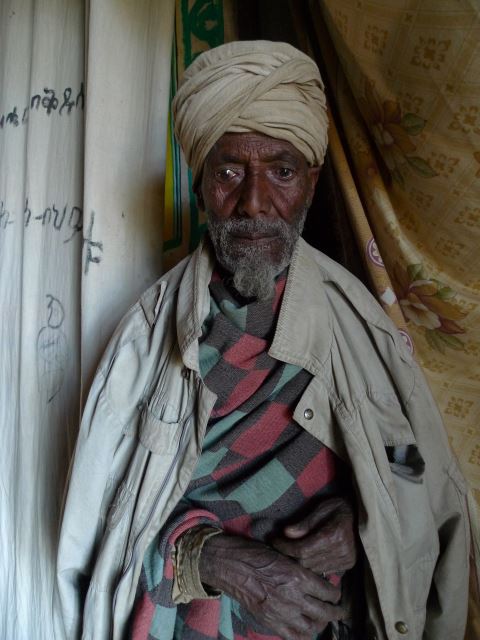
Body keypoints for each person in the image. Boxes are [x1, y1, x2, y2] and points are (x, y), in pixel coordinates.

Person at [55, 41, 470, 640]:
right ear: (199, 185)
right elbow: (96, 551)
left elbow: (419, 482)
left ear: (311, 183)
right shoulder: (144, 346)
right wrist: (213, 558)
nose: (254, 203)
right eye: (229, 172)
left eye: (281, 172)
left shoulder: (359, 326)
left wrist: (362, 524)